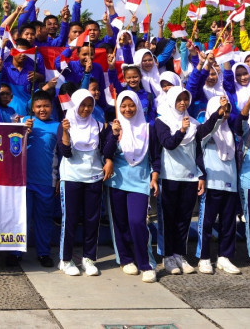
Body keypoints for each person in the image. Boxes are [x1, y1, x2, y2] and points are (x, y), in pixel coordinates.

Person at [103, 91, 159, 283]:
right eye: (123, 106)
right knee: (120, 223)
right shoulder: (114, 127)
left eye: (131, 105)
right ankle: (126, 259)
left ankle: (146, 264)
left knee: (137, 221)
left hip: (140, 181)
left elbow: (155, 156)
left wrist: (155, 175)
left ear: (137, 105)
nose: (127, 109)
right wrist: (114, 134)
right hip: (118, 181)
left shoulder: (148, 128)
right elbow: (106, 152)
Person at [154, 86, 208, 275]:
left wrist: (201, 174)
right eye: (179, 99)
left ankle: (179, 254)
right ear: (171, 100)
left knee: (184, 218)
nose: (183, 103)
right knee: (168, 218)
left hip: (190, 177)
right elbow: (168, 144)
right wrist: (181, 131)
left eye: (185, 99)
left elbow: (198, 151)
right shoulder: (162, 121)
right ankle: (167, 255)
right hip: (169, 176)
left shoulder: (194, 123)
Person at [56, 89, 109, 277]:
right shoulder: (66, 124)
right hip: (71, 177)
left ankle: (88, 258)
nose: (86, 109)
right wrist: (65, 132)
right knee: (69, 220)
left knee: (92, 219)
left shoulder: (99, 125)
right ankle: (66, 259)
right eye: (82, 105)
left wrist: (114, 133)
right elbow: (66, 152)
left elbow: (105, 149)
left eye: (89, 105)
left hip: (93, 177)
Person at [8, 89, 58, 268]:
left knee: (43, 219)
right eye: (38, 106)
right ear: (32, 108)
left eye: (46, 106)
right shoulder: (23, 122)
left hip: (46, 182)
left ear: (52, 107)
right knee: (21, 218)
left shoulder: (58, 126)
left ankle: (43, 253)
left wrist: (58, 179)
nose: (42, 109)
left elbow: (62, 153)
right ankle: (15, 252)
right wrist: (23, 132)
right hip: (23, 181)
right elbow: (12, 148)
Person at [195, 96, 241, 274]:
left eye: (227, 110)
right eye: (222, 110)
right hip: (212, 182)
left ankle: (225, 257)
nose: (225, 114)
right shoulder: (206, 129)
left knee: (229, 222)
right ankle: (204, 257)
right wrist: (218, 114)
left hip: (230, 183)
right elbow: (207, 131)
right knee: (206, 222)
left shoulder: (231, 130)